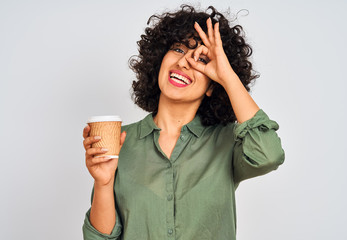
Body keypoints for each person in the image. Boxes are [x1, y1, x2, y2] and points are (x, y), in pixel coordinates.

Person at [82, 4, 285, 240]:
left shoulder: (228, 141)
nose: (184, 63)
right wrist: (103, 184)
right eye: (178, 49)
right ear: (159, 59)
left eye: (202, 59)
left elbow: (269, 155)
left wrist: (227, 76)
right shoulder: (120, 141)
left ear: (212, 85)